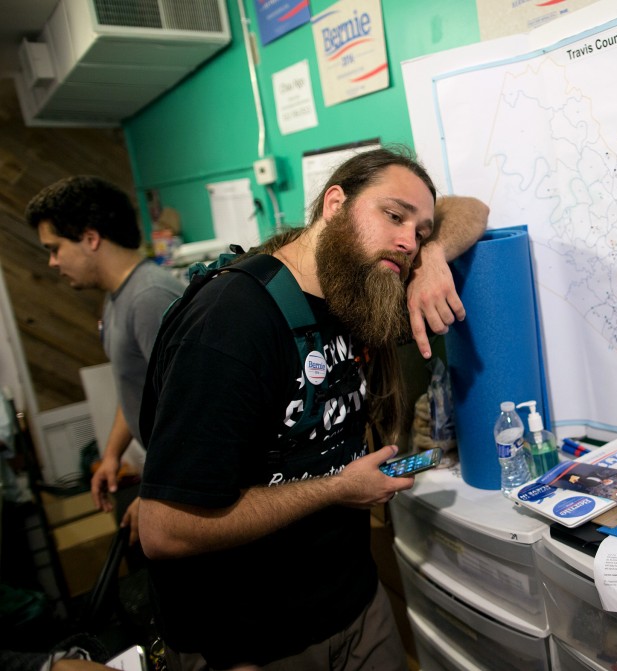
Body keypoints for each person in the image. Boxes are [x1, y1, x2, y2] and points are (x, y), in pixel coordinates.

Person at [137, 146, 488, 670]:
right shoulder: (231, 323)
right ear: (334, 204)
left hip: (352, 606)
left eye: (418, 231)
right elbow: (164, 530)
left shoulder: (359, 291)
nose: (406, 241)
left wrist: (433, 255)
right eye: (393, 216)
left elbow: (473, 209)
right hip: (248, 641)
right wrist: (339, 489)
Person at [26, 176, 185, 545]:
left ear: (90, 238)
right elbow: (138, 385)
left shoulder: (150, 298)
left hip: (185, 480)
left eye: (55, 248)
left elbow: (192, 410)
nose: (51, 262)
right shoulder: (118, 296)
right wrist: (111, 454)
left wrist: (156, 495)